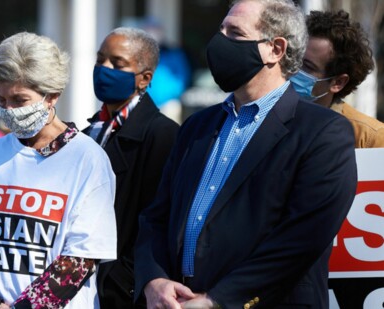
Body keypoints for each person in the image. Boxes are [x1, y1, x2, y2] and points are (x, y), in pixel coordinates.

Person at [134, 0, 358, 308]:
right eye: (221, 29)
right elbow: (156, 217)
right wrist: (153, 280)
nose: (219, 41)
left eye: (235, 33)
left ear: (275, 49)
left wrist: (217, 301)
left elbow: (301, 240)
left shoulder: (323, 132)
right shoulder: (196, 126)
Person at [0, 32, 117, 309]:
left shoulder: (87, 159)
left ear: (51, 96)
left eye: (20, 100)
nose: (8, 109)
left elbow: (80, 259)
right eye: (0, 99)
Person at [83, 27, 179, 308]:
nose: (104, 69)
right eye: (100, 59)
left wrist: (121, 282)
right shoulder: (92, 130)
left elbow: (155, 219)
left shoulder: (162, 134)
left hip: (122, 294)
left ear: (144, 79)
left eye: (117, 63)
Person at [290, 9, 384, 148]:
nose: (293, 70)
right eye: (293, 59)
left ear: (338, 82)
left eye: (307, 67)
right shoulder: (263, 118)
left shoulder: (370, 139)